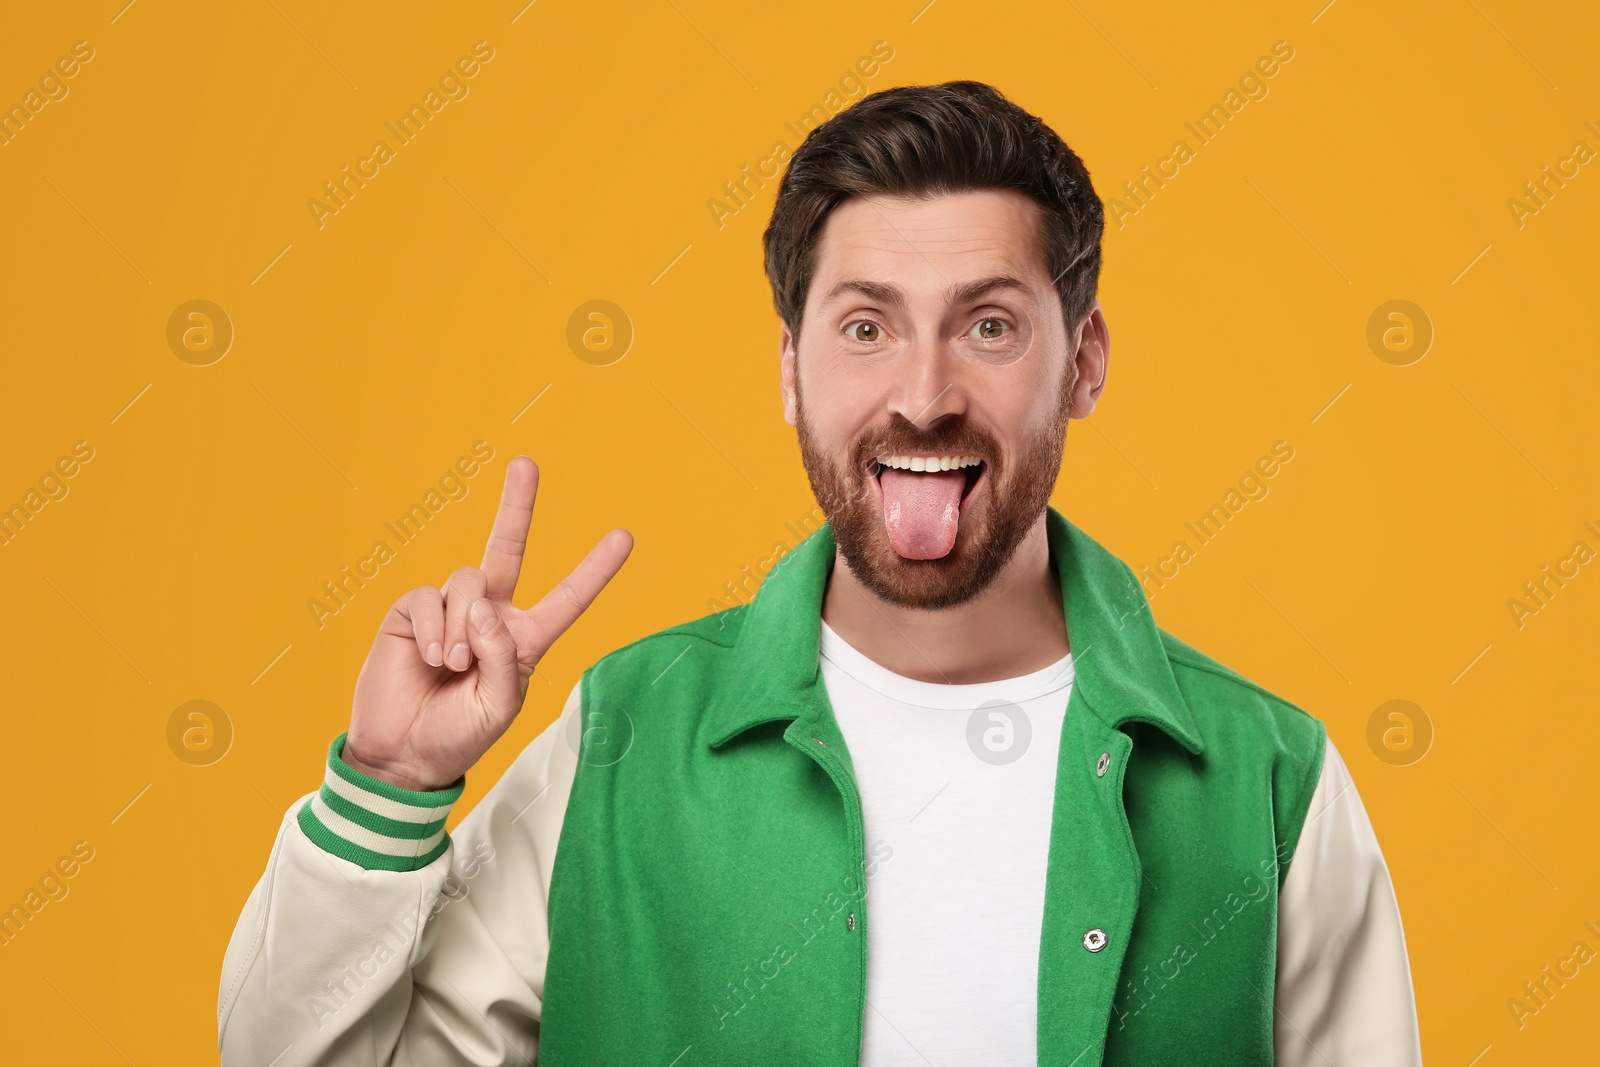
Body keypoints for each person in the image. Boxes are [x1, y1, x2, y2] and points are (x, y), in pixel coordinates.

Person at [218, 80, 1423, 1066]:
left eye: (989, 324)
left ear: (1084, 363)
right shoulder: (620, 741)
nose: (922, 391)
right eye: (866, 325)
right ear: (791, 368)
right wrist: (384, 786)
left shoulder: (1271, 780)